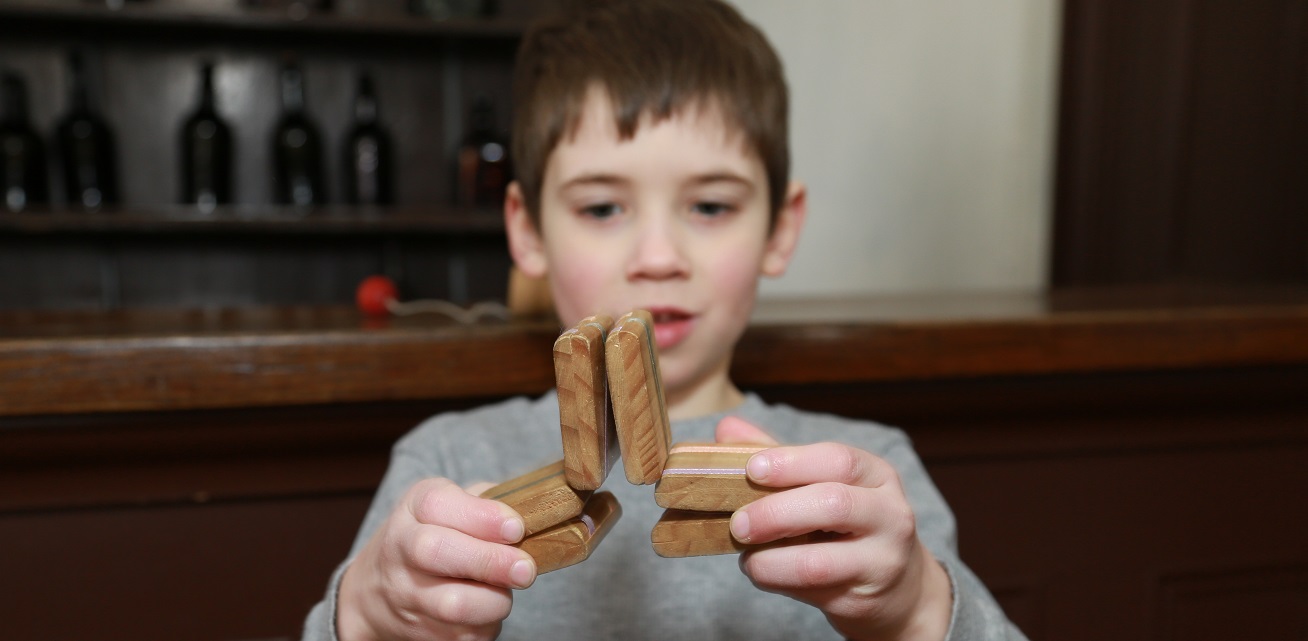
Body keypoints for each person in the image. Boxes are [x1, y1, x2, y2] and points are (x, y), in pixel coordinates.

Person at [303, 0, 1025, 639]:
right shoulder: (448, 464)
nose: (657, 256)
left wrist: (917, 609)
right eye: (601, 207)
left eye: (710, 206)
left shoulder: (867, 475)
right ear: (526, 233)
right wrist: (368, 615)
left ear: (780, 227)